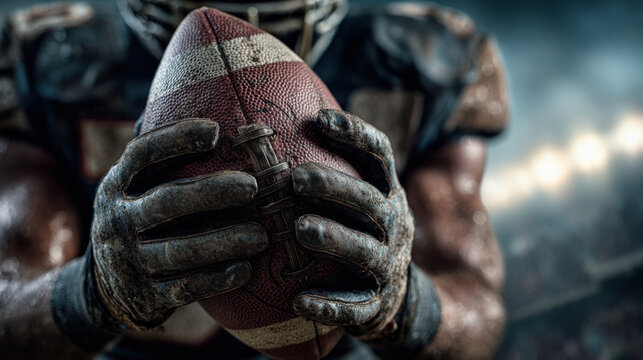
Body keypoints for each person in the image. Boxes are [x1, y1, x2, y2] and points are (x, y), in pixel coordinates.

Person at [0, 0, 508, 359]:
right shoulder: (54, 62)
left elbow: (480, 306)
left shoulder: (419, 57)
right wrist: (90, 295)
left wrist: (406, 305)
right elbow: (8, 297)